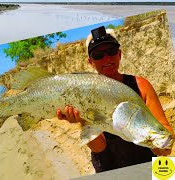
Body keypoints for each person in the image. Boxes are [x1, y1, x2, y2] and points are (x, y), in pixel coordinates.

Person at [56, 26, 175, 173]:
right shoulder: (84, 93)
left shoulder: (140, 85)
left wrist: (164, 144)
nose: (106, 58)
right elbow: (100, 148)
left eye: (111, 51)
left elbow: (164, 127)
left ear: (119, 54)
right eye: (98, 55)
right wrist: (82, 120)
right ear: (90, 62)